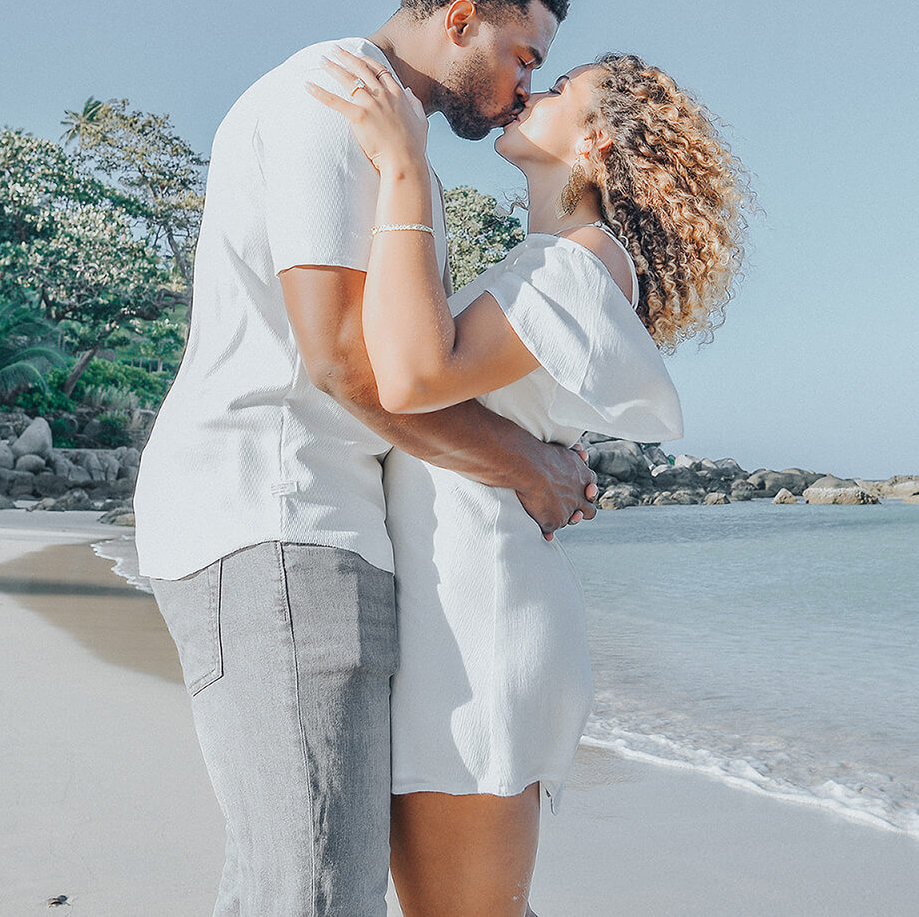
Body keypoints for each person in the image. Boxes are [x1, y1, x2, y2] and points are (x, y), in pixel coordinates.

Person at [134, 0, 597, 917]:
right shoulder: (329, 98)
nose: (523, 86)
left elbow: (409, 371)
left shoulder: (403, 154)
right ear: (458, 18)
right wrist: (526, 464)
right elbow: (345, 359)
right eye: (522, 56)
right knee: (309, 885)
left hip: (321, 522)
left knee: (316, 879)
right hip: (273, 511)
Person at [311, 47, 750, 917]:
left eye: (556, 90)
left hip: (479, 616)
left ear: (595, 145)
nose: (527, 93)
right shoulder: (552, 261)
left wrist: (403, 165)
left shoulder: (579, 264)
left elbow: (411, 377)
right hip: (460, 604)